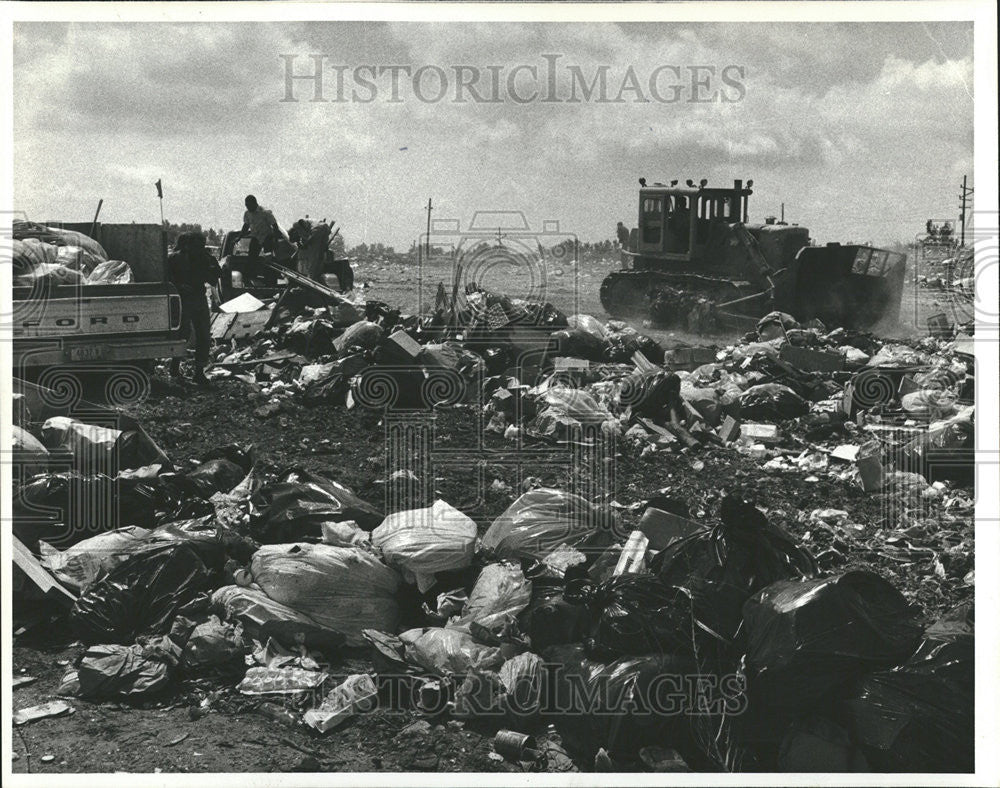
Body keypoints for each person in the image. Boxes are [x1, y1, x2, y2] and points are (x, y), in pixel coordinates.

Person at [168, 231, 220, 387]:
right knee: (183, 333)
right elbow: (167, 278)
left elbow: (214, 278)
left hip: (199, 297)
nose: (199, 249)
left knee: (204, 334)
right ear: (187, 245)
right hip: (182, 299)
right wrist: (179, 286)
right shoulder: (175, 258)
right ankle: (175, 366)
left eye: (201, 246)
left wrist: (211, 263)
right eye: (196, 246)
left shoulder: (204, 258)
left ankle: (199, 372)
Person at [241, 195, 284, 260]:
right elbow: (246, 226)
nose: (248, 207)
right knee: (251, 257)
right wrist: (239, 237)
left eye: (249, 205)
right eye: (246, 206)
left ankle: (269, 261)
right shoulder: (247, 214)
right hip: (256, 237)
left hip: (267, 237)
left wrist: (276, 240)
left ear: (254, 203)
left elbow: (275, 226)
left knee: (268, 255)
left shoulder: (265, 212)